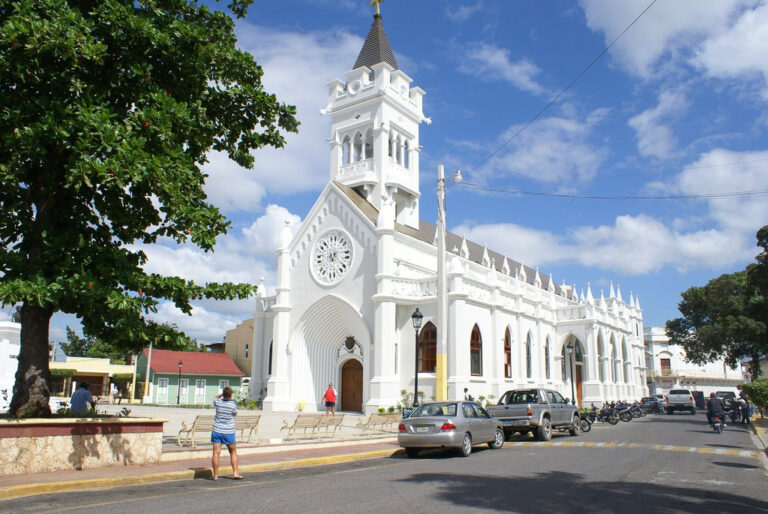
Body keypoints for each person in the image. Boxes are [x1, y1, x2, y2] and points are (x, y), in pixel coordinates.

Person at [211, 386, 241, 481]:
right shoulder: (233, 405)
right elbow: (235, 414)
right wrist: (232, 399)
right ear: (231, 394)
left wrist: (221, 394)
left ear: (223, 394)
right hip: (228, 431)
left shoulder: (218, 402)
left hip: (217, 430)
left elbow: (215, 398)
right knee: (233, 452)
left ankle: (215, 475)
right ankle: (235, 473)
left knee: (216, 453)